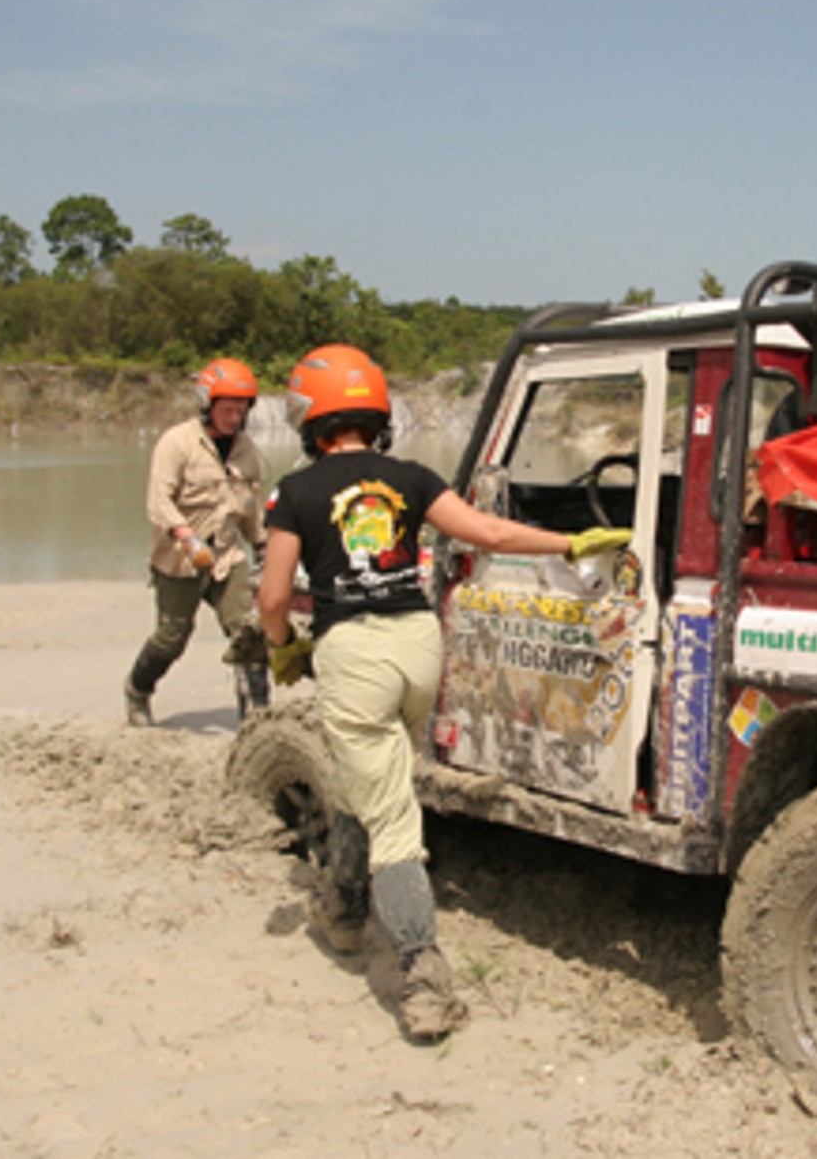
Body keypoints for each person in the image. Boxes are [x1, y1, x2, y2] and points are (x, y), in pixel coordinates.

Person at [255, 343, 629, 1042]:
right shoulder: (413, 476)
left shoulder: (293, 493)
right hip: (418, 647)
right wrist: (571, 545)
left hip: (355, 653)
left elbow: (275, 595)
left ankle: (423, 976)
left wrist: (283, 649)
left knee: (392, 813)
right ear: (375, 413)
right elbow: (487, 532)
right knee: (374, 773)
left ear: (309, 419)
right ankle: (341, 905)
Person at [124, 357, 274, 728]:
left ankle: (257, 713)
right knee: (172, 636)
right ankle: (137, 691)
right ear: (208, 404)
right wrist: (186, 536)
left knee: (248, 631)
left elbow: (249, 504)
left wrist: (263, 544)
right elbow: (158, 501)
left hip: (226, 555)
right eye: (228, 408)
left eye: (241, 409)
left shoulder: (245, 449)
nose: (234, 416)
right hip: (180, 559)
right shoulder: (177, 443)